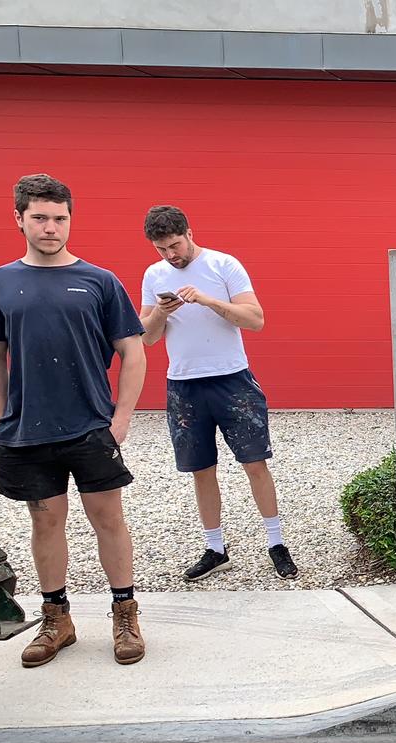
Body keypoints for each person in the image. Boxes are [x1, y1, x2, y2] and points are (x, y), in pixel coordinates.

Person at [0, 174, 148, 668]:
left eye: (60, 218)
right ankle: (57, 620)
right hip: (26, 432)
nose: (51, 227)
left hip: (91, 427)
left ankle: (125, 614)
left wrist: (120, 419)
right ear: (19, 220)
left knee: (108, 519)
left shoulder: (100, 281)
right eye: (40, 218)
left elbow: (132, 353)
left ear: (70, 219)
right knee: (45, 521)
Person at [138, 205, 298, 581]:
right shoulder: (154, 274)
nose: (170, 255)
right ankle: (215, 548)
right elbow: (146, 336)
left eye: (175, 245)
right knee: (201, 471)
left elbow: (255, 320)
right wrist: (162, 312)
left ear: (189, 233)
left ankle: (276, 543)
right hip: (183, 384)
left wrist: (207, 300)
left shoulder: (224, 265)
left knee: (255, 463)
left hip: (232, 380)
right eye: (162, 249)